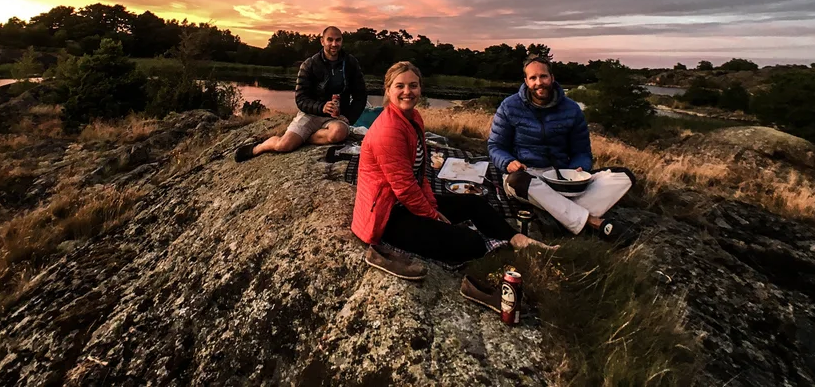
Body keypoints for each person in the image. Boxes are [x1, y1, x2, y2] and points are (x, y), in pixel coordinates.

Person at [352, 61, 551, 308]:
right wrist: (431, 215)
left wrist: (432, 204)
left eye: (413, 85)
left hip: (405, 202)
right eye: (400, 86)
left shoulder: (413, 117)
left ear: (420, 88)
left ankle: (517, 240)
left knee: (474, 204)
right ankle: (486, 249)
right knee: (472, 243)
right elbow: (403, 187)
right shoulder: (388, 129)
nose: (407, 92)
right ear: (388, 90)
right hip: (387, 215)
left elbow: (419, 171)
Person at [488, 56, 635, 243]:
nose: (539, 82)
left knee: (623, 176)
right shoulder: (509, 106)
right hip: (527, 177)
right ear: (526, 81)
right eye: (533, 78)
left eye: (543, 76)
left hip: (563, 179)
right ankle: (593, 222)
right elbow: (495, 146)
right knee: (517, 181)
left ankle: (557, 216)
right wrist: (508, 163)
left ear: (552, 77)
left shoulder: (572, 109)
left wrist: (577, 169)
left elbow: (582, 151)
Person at [234, 26, 368, 161]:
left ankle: (302, 137)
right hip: (310, 115)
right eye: (330, 40)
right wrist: (321, 107)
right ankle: (258, 147)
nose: (334, 44)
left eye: (338, 40)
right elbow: (301, 99)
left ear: (342, 41)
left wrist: (349, 117)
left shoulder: (351, 63)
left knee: (339, 133)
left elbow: (361, 95)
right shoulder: (309, 64)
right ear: (322, 41)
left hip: (335, 118)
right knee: (284, 145)